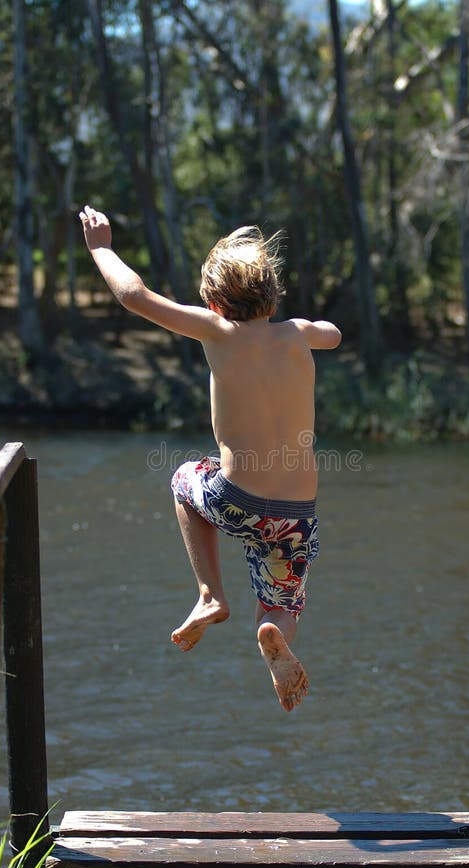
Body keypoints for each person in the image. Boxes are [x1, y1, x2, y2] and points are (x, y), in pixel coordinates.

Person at [79, 205, 341, 711]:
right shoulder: (296, 333)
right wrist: (311, 328)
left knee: (183, 479)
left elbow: (135, 296)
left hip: (234, 500)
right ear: (272, 292)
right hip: (295, 517)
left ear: (216, 302)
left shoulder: (216, 331)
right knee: (283, 602)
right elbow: (333, 334)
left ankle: (210, 595)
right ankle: (273, 630)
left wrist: (101, 247)